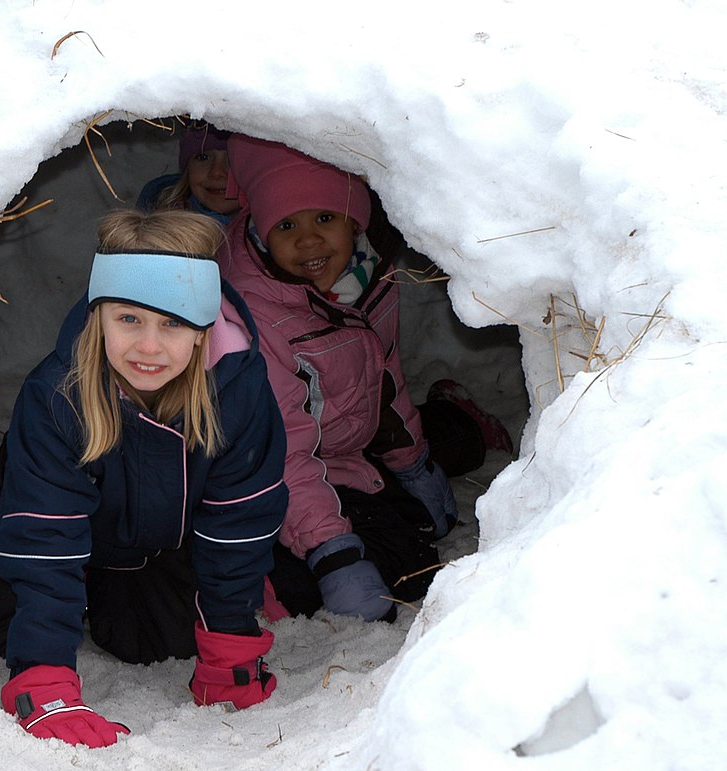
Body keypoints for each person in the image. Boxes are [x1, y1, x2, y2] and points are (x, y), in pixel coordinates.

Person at [0, 208, 288, 748]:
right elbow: (46, 535)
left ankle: (100, 592)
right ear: (100, 315)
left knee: (159, 642)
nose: (148, 346)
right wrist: (44, 678)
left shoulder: (236, 389)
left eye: (173, 323)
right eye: (129, 319)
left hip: (148, 543)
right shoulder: (58, 394)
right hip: (49, 525)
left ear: (203, 329)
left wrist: (230, 645)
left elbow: (240, 522)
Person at [218, 134, 513, 624]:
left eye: (326, 218)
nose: (309, 240)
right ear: (260, 230)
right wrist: (334, 552)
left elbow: (386, 379)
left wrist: (414, 463)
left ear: (355, 220)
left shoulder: (366, 277)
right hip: (283, 468)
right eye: (286, 224)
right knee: (404, 568)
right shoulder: (254, 314)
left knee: (429, 505)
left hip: (349, 443)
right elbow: (281, 446)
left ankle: (456, 422)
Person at [136, 121, 239, 226]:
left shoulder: (255, 233)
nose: (217, 172)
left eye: (234, 159)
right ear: (188, 170)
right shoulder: (163, 219)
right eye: (203, 157)